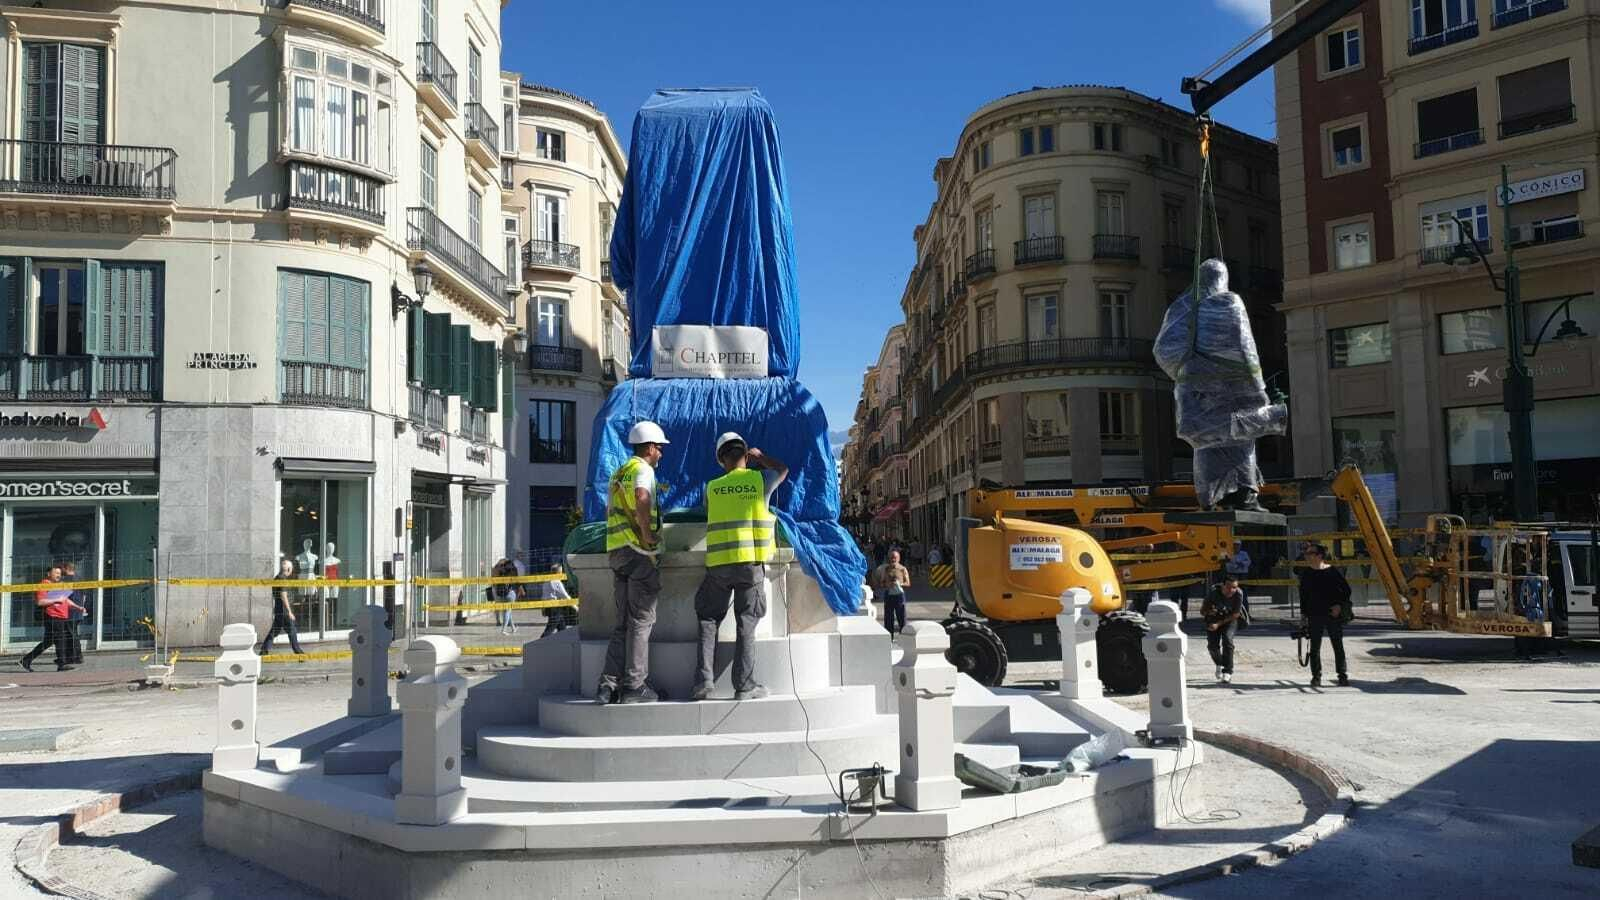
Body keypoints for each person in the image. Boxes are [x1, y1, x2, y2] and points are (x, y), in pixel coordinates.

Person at [690, 433, 787, 701]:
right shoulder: (760, 480)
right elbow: (783, 469)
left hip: (718, 564)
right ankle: (744, 686)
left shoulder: (712, 487)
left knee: (708, 619)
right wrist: (761, 458)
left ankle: (703, 684)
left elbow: (710, 512)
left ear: (721, 460)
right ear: (746, 455)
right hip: (750, 563)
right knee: (747, 623)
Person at [597, 420, 669, 704]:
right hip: (638, 553)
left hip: (617, 552)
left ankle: (607, 686)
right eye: (660, 449)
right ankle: (634, 686)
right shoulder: (642, 469)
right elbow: (641, 497)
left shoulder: (619, 473)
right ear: (650, 447)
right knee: (642, 620)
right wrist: (647, 533)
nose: (661, 454)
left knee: (622, 623)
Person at [1298, 544, 1351, 687]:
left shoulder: (1332, 571)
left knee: (1337, 645)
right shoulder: (1306, 573)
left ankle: (1342, 675)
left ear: (1320, 556)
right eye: (1306, 553)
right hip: (1314, 614)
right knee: (1315, 647)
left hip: (1333, 614)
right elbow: (1303, 596)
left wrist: (1339, 605)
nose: (1307, 556)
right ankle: (1316, 676)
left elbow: (1346, 590)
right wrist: (1303, 616)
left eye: (1310, 553)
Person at [20, 565, 83, 672]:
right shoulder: (43, 585)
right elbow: (40, 602)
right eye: (56, 573)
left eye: (59, 573)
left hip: (62, 616)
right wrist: (55, 600)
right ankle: (62, 664)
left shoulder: (59, 585)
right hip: (53, 616)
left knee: (48, 641)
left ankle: (26, 660)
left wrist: (77, 607)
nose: (58, 575)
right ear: (49, 574)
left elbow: (65, 599)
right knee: (60, 639)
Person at [1202, 575, 1246, 683]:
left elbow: (1235, 614)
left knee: (1227, 640)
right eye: (1229, 587)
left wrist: (1219, 624)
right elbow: (1202, 611)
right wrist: (1210, 612)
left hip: (1229, 619)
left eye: (1234, 587)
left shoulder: (1239, 594)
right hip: (1213, 619)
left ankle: (1228, 671)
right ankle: (1219, 663)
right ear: (1223, 585)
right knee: (1212, 646)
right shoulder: (1213, 593)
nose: (1231, 590)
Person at [260, 557, 306, 656]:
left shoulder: (277, 577)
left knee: (274, 631)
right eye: (291, 569)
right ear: (289, 569)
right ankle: (299, 652)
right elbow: (283, 595)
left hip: (278, 609)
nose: (291, 571)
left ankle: (264, 651)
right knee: (292, 630)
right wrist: (289, 611)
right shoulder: (283, 579)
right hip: (284, 611)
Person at [874, 549, 910, 636]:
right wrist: (887, 584)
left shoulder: (903, 569)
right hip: (889, 595)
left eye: (895, 557)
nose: (893, 559)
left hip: (899, 595)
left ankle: (904, 635)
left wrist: (900, 583)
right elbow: (881, 583)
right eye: (891, 558)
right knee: (888, 617)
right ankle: (890, 636)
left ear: (899, 558)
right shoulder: (886, 569)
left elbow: (908, 583)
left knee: (901, 617)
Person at [537, 563, 576, 637]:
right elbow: (566, 596)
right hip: (555, 609)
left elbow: (543, 597)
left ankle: (564, 643)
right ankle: (539, 645)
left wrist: (543, 609)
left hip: (549, 608)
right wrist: (576, 608)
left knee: (562, 629)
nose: (562, 573)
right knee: (548, 631)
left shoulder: (546, 581)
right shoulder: (557, 582)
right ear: (558, 572)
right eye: (561, 571)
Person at [62, 560, 87, 664]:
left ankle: (75, 656)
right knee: (73, 632)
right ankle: (75, 656)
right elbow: (84, 595)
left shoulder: (66, 580)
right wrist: (81, 606)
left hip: (69, 610)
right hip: (78, 609)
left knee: (70, 634)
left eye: (62, 568)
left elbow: (63, 596)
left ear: (66, 568)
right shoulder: (80, 578)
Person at [490, 557, 520, 635]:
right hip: (509, 592)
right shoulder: (510, 569)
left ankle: (513, 628)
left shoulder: (495, 569)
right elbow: (516, 581)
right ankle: (504, 629)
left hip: (498, 592)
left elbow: (492, 581)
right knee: (507, 611)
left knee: (507, 611)